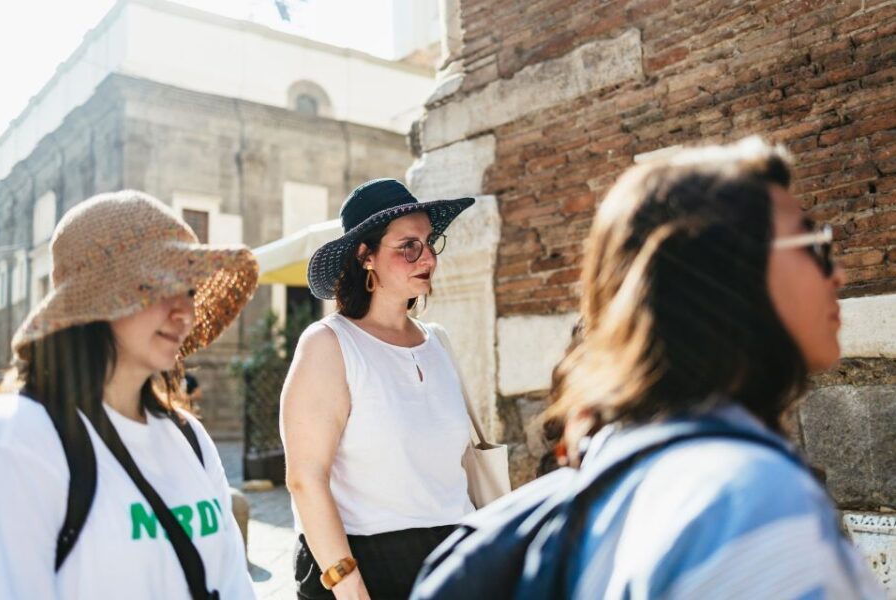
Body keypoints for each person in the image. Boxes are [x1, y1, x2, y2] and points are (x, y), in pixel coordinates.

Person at [409, 137, 885, 600]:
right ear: (726, 275)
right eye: (814, 244)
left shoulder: (619, 488)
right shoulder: (746, 500)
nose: (837, 272)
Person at [0, 190, 259, 599]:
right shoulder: (21, 438)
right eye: (161, 285)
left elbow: (234, 584)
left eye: (189, 291)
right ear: (96, 300)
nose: (185, 312)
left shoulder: (190, 437)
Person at [280, 178, 475, 599]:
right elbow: (305, 478)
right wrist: (349, 587)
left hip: (453, 562)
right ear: (365, 256)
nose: (426, 257)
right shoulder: (328, 344)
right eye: (408, 246)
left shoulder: (437, 342)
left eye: (428, 242)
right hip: (365, 565)